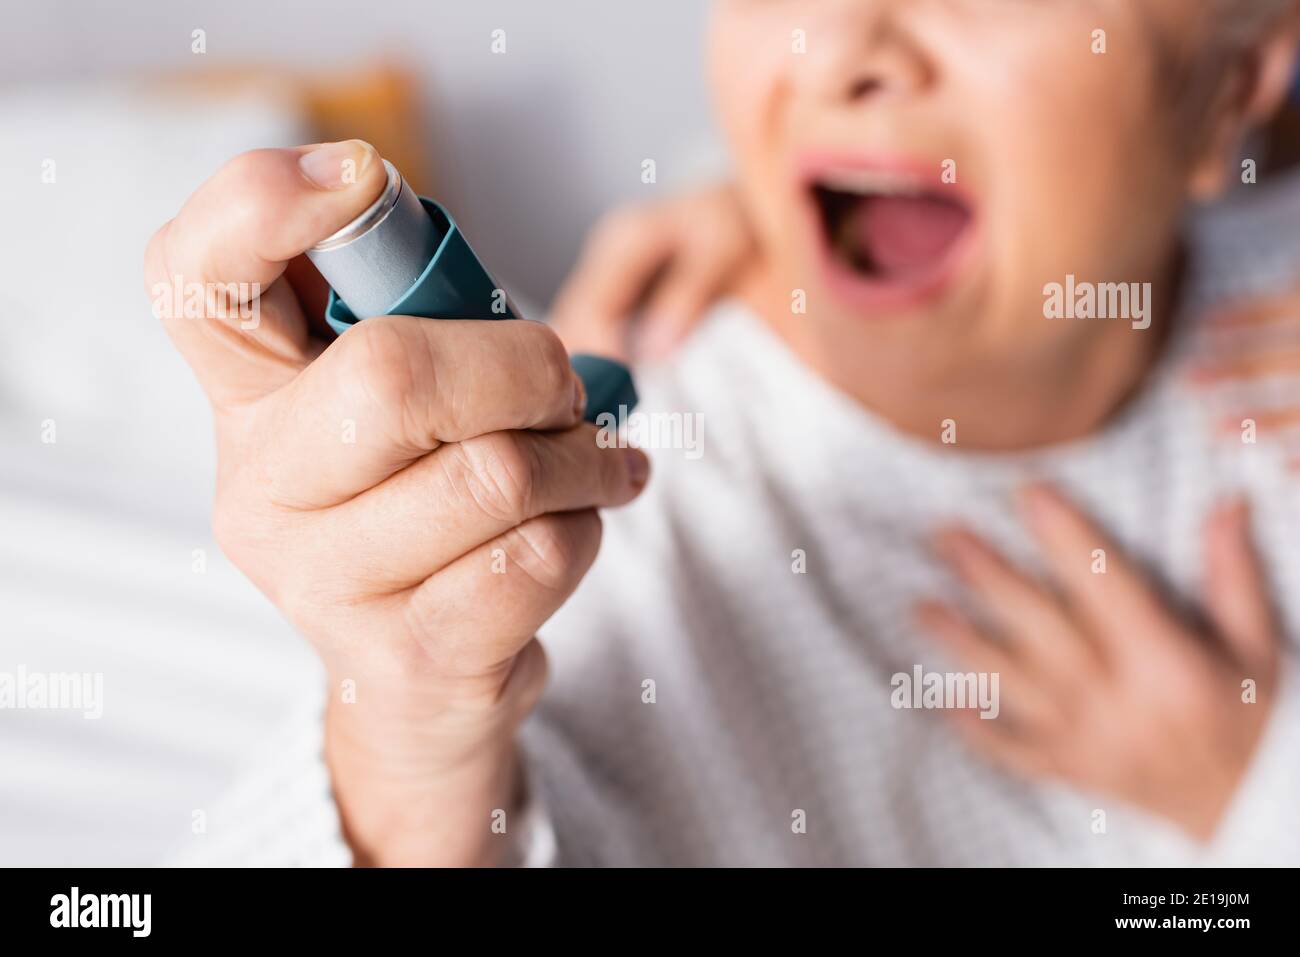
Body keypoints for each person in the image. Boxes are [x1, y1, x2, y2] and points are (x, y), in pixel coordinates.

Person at [147, 0, 1300, 866]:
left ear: (1238, 82)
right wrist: (407, 739)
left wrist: (1249, 790)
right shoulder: (589, 520)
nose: (844, 48)